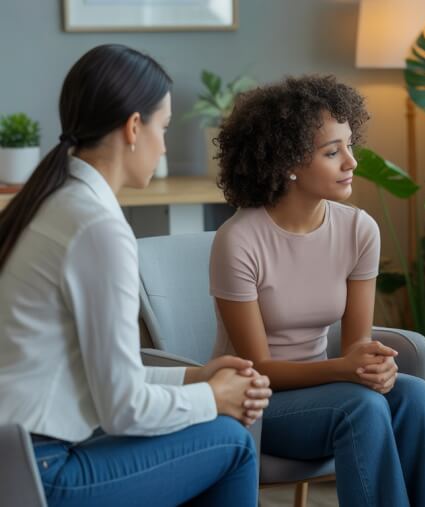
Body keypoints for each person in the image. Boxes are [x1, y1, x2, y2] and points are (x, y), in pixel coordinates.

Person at [0, 44, 272, 506]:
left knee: (213, 432)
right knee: (231, 441)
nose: (163, 144)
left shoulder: (52, 201)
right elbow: (123, 408)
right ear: (132, 127)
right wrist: (214, 398)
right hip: (44, 471)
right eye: (162, 127)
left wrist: (195, 378)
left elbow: (103, 376)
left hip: (20, 457)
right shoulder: (96, 227)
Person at [210, 74, 425, 507]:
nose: (351, 162)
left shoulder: (358, 229)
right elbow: (258, 366)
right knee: (362, 407)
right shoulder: (239, 240)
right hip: (258, 403)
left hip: (330, 390)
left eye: (349, 145)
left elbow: (356, 345)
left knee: (417, 396)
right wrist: (345, 370)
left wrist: (373, 367)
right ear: (288, 162)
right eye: (332, 152)